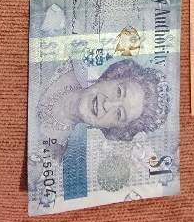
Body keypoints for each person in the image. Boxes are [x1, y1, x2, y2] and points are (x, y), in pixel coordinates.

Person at [36, 57, 170, 153]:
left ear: (114, 128)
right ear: (113, 76)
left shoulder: (53, 152)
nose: (107, 104)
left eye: (119, 113)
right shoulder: (60, 59)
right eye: (119, 92)